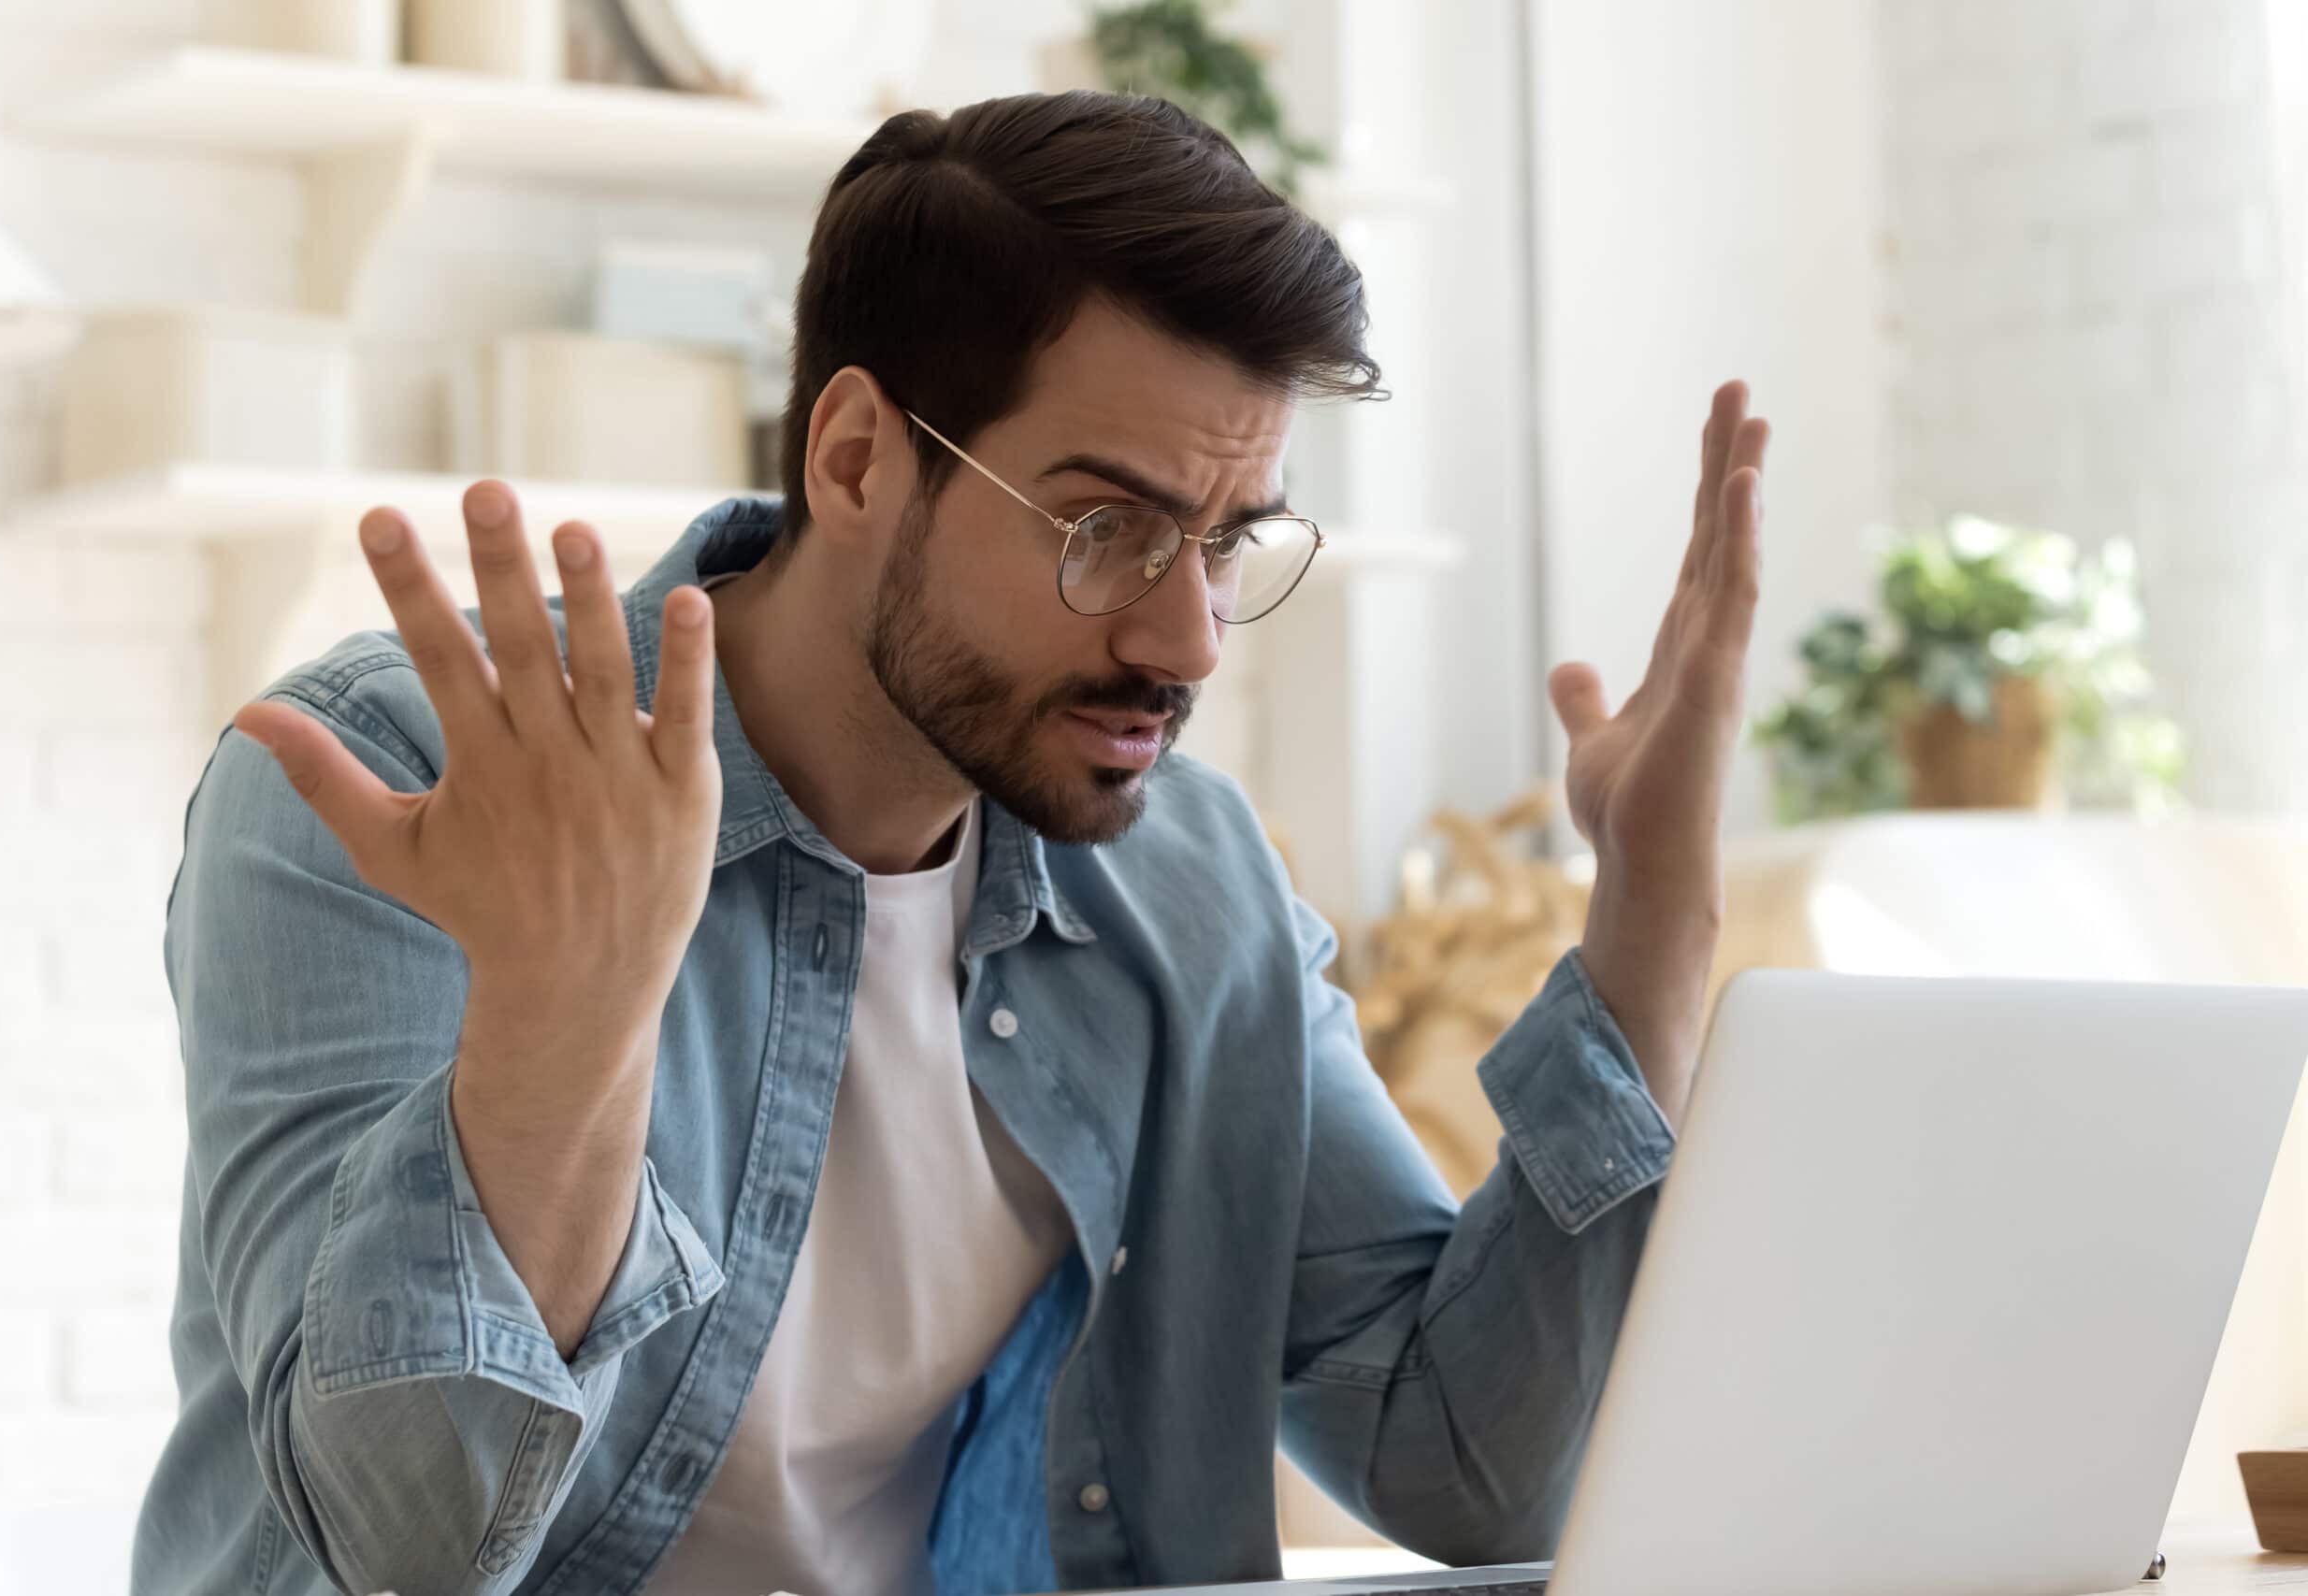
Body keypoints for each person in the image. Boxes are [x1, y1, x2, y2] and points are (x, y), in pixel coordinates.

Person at [132, 90, 1769, 1596]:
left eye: (1229, 542)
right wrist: (574, 1018)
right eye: (1107, 529)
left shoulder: (1189, 882)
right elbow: (402, 1546)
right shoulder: (408, 784)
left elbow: (1470, 1472)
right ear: (857, 460)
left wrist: (1657, 913)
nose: (1189, 642)